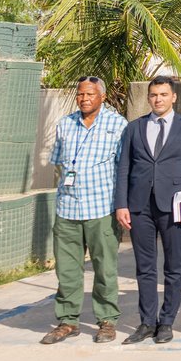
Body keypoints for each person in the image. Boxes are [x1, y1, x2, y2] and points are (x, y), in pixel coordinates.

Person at [115, 75, 181, 345]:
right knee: (145, 267)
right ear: (148, 98)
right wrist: (122, 204)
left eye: (163, 94)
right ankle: (146, 322)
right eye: (154, 95)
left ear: (173, 97)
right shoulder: (134, 128)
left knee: (174, 266)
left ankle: (166, 321)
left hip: (174, 207)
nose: (158, 99)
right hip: (140, 205)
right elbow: (123, 168)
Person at [41, 76, 128, 345]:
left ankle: (106, 321)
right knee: (67, 270)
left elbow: (124, 168)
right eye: (80, 94)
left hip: (101, 208)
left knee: (104, 269)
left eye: (90, 94)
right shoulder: (65, 124)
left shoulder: (118, 125)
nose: (84, 99)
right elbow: (58, 164)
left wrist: (122, 206)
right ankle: (68, 321)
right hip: (67, 208)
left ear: (102, 96)